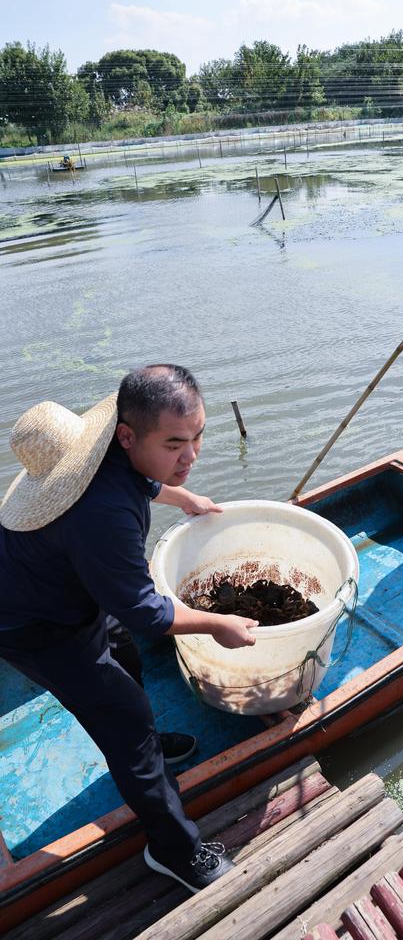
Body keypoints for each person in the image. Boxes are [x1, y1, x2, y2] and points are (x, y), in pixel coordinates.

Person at [0, 364, 258, 893]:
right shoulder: (101, 516)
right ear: (128, 435)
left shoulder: (103, 457)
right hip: (33, 624)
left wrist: (183, 497)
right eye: (174, 444)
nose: (191, 456)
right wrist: (217, 624)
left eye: (198, 436)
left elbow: (139, 480)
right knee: (126, 717)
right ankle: (174, 852)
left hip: (70, 587)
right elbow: (149, 614)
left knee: (125, 652)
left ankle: (153, 746)